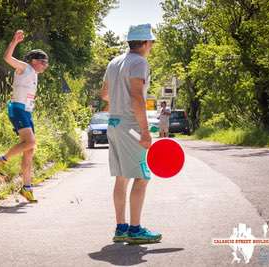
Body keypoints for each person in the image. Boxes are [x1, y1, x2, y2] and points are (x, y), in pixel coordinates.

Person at [101, 23, 162, 244]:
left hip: (114, 123)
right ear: (145, 43)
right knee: (142, 176)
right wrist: (145, 131)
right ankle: (135, 230)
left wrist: (119, 99)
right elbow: (138, 97)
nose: (152, 46)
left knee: (121, 177)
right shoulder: (139, 62)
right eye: (152, 42)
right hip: (129, 125)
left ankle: (121, 228)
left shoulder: (114, 61)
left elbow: (105, 94)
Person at [0, 30, 49, 203]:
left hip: (26, 111)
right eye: (43, 62)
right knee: (30, 143)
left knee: (29, 150)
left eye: (46, 63)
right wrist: (14, 42)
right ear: (34, 61)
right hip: (17, 109)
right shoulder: (25, 67)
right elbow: (7, 58)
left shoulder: (34, 74)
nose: (45, 65)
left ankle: (26, 188)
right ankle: (1, 160)